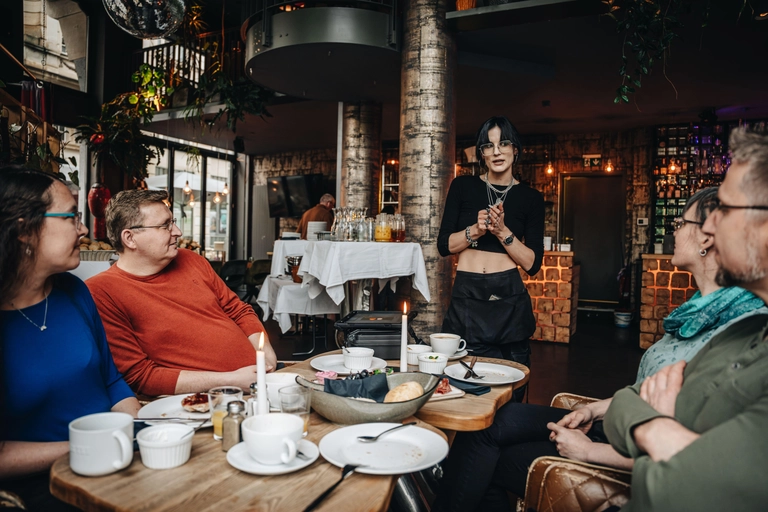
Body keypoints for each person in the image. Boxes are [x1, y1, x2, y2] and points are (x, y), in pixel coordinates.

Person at [432, 185, 767, 511]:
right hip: (615, 425)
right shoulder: (698, 312)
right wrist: (593, 410)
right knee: (493, 422)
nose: (674, 231)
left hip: (624, 445)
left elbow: (698, 458)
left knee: (487, 454)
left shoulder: (738, 331)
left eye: (681, 223)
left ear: (708, 237)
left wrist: (590, 451)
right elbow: (645, 393)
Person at [0, 167, 139, 507]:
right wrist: (87, 447)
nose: (84, 229)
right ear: (24, 230)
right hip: (44, 488)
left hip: (116, 458)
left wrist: (136, 428)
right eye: (71, 217)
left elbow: (111, 380)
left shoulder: (74, 290)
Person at [86, 190, 277, 397]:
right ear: (130, 238)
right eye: (165, 225)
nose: (177, 232)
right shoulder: (102, 292)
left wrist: (265, 351)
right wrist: (230, 381)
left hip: (265, 378)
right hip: (210, 399)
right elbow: (141, 376)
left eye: (173, 222)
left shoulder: (191, 259)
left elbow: (237, 310)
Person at [437, 116, 544, 381]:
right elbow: (444, 245)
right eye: (489, 145)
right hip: (467, 295)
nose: (496, 151)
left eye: (503, 143)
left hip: (508, 299)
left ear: (515, 149)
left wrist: (502, 232)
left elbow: (532, 264)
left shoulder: (531, 198)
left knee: (510, 381)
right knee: (460, 378)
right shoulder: (462, 186)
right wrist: (475, 230)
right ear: (481, 153)